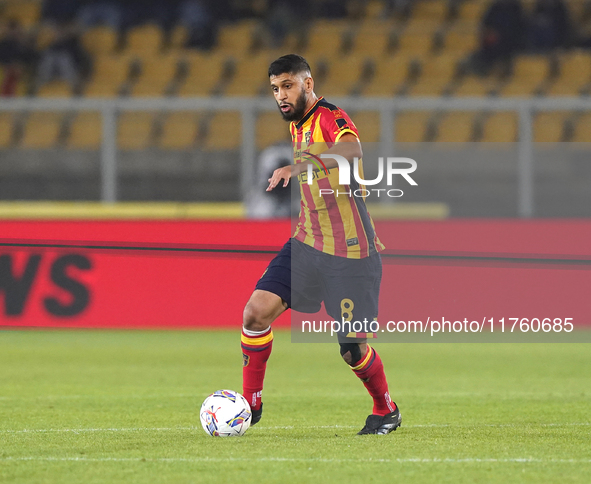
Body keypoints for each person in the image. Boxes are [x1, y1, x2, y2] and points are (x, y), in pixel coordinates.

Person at [240, 54, 401, 435]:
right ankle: (250, 403)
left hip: (350, 251)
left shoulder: (330, 115)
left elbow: (353, 150)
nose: (281, 95)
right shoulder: (297, 124)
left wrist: (299, 166)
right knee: (254, 313)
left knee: (352, 349)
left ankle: (386, 408)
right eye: (275, 89)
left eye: (288, 86)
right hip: (307, 242)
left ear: (307, 84)